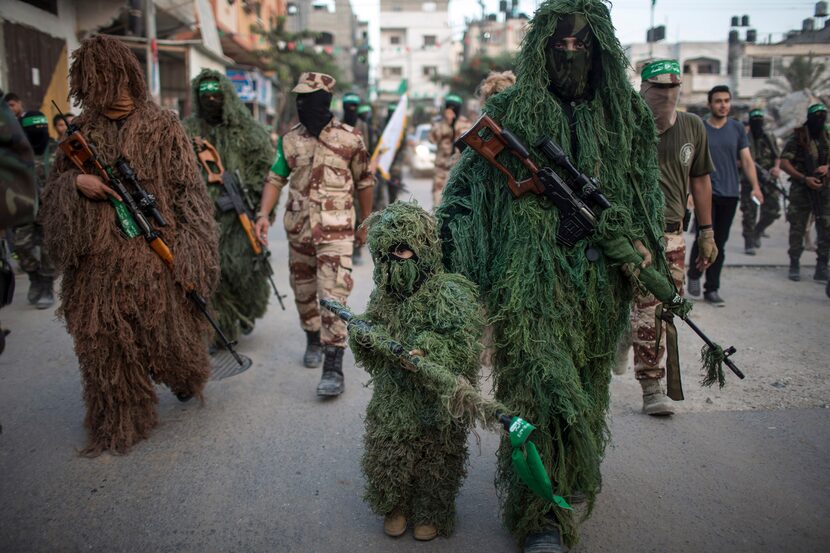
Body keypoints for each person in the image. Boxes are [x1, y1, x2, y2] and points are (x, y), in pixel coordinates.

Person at [437, 1, 675, 549]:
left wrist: (647, 259)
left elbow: (643, 196)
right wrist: (442, 259)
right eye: (559, 44)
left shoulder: (626, 117)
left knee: (585, 395)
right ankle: (541, 515)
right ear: (541, 44)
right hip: (525, 286)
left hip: (597, 293)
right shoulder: (511, 108)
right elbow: (466, 195)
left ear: (603, 50)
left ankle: (566, 478)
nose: (570, 53)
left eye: (582, 44)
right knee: (540, 393)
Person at [41, 35, 219, 455]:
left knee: (170, 338)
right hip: (97, 268)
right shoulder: (79, 134)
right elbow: (51, 197)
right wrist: (75, 183)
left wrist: (193, 256)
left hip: (156, 251)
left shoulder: (164, 125)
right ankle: (122, 417)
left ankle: (183, 374)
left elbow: (189, 193)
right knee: (103, 343)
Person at [350, 202, 484, 541]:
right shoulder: (385, 295)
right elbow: (373, 321)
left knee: (437, 454)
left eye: (403, 251)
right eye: (385, 255)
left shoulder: (449, 292)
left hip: (436, 398)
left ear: (422, 250)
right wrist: (363, 333)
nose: (394, 260)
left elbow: (463, 342)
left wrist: (427, 348)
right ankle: (394, 505)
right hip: (394, 392)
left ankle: (431, 510)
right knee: (390, 448)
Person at [254, 72, 373, 397]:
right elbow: (276, 178)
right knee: (304, 291)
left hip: (336, 231)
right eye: (300, 98)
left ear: (325, 101)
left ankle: (333, 366)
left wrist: (366, 221)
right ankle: (312, 338)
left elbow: (365, 181)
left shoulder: (350, 139)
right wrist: (263, 214)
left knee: (333, 295)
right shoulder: (290, 139)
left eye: (310, 98)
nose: (303, 104)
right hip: (299, 230)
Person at [624, 60, 717, 416]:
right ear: (644, 90)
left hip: (673, 235)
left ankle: (652, 383)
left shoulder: (693, 127)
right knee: (643, 311)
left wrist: (707, 232)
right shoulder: (627, 127)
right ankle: (651, 385)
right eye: (658, 90)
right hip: (631, 236)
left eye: (672, 89)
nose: (665, 96)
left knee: (661, 311)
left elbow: (701, 180)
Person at [183, 70, 274, 344]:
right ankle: (222, 327)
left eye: (216, 95)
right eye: (205, 96)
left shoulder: (249, 130)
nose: (211, 100)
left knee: (241, 270)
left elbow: (265, 169)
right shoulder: (187, 130)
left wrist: (258, 208)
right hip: (198, 217)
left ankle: (244, 312)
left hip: (238, 214)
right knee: (212, 273)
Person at [687, 85, 763, 305]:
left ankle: (712, 288)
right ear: (710, 104)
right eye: (718, 101)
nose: (723, 105)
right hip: (706, 193)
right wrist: (689, 192)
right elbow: (689, 162)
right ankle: (693, 273)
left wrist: (755, 186)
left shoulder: (738, 128)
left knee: (720, 242)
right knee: (703, 236)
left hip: (730, 193)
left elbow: (747, 161)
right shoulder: (700, 127)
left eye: (726, 101)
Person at [780, 103, 829, 282]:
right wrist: (803, 178)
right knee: (797, 227)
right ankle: (794, 263)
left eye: (823, 115)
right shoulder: (799, 137)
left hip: (824, 190)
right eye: (817, 115)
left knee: (825, 227)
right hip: (801, 189)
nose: (821, 119)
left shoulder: (828, 135)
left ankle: (822, 266)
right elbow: (784, 162)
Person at [16, 110, 57, 309]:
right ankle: (34, 276)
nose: (38, 132)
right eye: (32, 129)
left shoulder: (57, 149)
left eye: (41, 127)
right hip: (22, 208)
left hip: (51, 209)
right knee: (21, 245)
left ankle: (47, 284)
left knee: (49, 248)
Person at [740, 109, 781, 254]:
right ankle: (749, 241)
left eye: (760, 119)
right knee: (749, 213)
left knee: (773, 210)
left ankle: (758, 230)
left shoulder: (769, 137)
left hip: (767, 180)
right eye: (755, 119)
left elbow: (777, 156)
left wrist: (776, 169)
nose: (758, 122)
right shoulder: (744, 138)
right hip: (749, 182)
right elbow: (738, 159)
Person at [428, 93, 470, 208]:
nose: (451, 111)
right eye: (448, 108)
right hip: (441, 168)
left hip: (457, 170)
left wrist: (453, 125)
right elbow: (432, 138)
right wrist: (446, 123)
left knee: (455, 204)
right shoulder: (438, 123)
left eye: (454, 108)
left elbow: (467, 142)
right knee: (437, 203)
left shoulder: (464, 123)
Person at [342, 92, 368, 264]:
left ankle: (357, 249)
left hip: (359, 173)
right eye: (348, 105)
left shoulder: (362, 126)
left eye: (354, 106)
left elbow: (368, 148)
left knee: (359, 212)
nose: (351, 109)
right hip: (343, 177)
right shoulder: (338, 126)